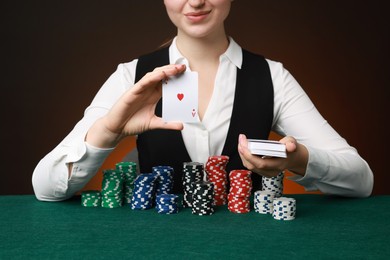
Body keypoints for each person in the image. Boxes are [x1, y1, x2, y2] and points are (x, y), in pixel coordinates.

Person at [32, 0, 373, 201]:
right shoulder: (130, 75)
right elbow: (46, 186)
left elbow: (361, 180)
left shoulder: (272, 76)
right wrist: (108, 131)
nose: (195, 2)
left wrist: (298, 161)